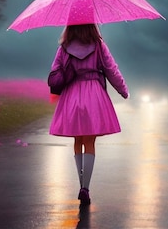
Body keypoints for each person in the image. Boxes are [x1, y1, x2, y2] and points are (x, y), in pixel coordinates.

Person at [48, 24, 129, 205]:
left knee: (77, 140)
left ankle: (80, 182)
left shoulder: (63, 48)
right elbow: (111, 70)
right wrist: (123, 90)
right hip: (94, 94)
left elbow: (55, 71)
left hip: (72, 95)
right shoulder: (99, 46)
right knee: (89, 141)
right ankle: (86, 187)